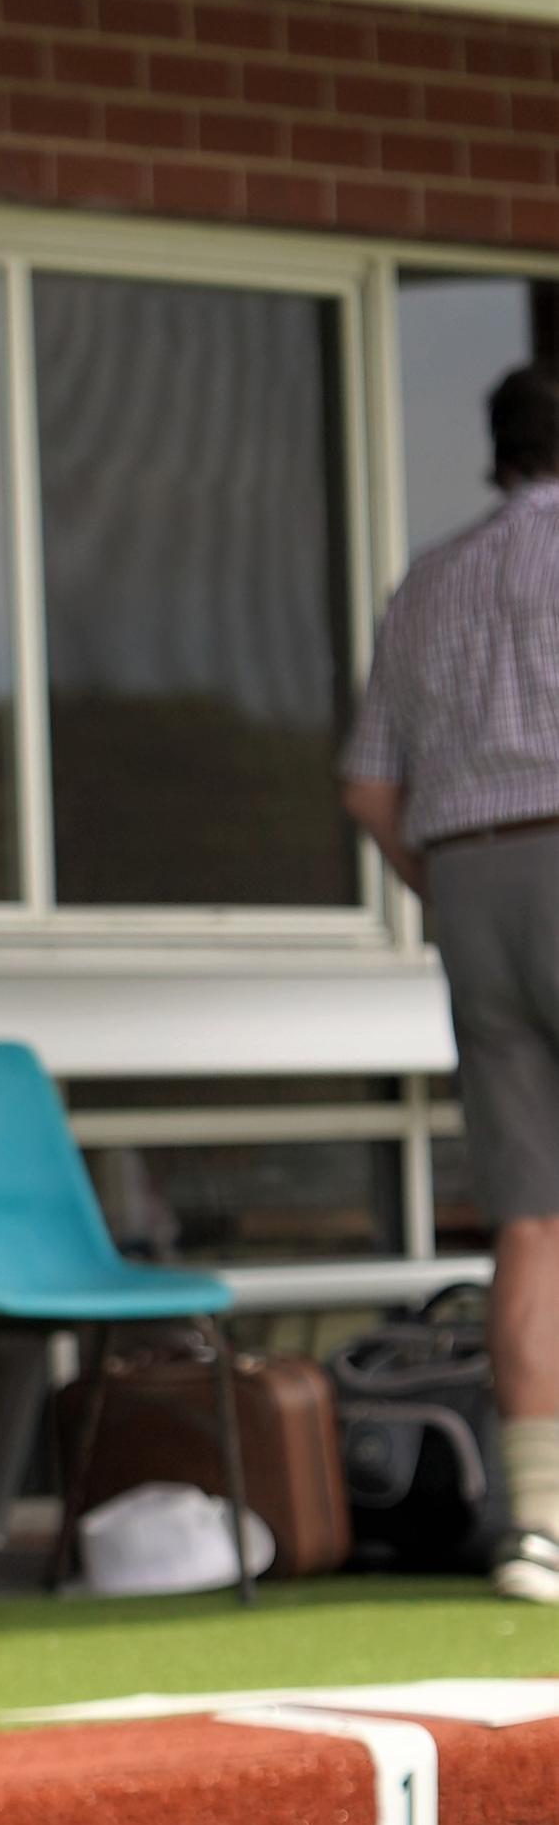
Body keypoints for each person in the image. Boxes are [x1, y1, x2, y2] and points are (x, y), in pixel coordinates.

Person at [343, 355, 559, 1605]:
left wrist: (447, 887)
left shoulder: (429, 580)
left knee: (531, 1218)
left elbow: (371, 788)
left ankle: (540, 1526)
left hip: (472, 880)